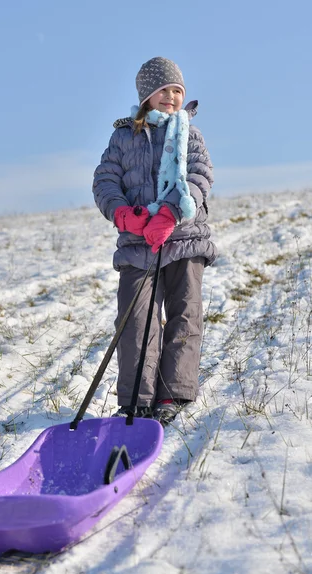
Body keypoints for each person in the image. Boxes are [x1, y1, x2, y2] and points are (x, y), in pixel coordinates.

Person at [93, 57, 217, 425]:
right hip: (137, 244)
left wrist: (172, 213)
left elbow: (200, 175)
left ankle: (172, 392)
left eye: (177, 90)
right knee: (134, 320)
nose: (171, 97)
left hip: (184, 239)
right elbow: (105, 181)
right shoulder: (124, 136)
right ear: (147, 96)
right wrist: (122, 214)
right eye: (163, 90)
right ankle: (136, 398)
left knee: (184, 314)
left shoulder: (190, 134)